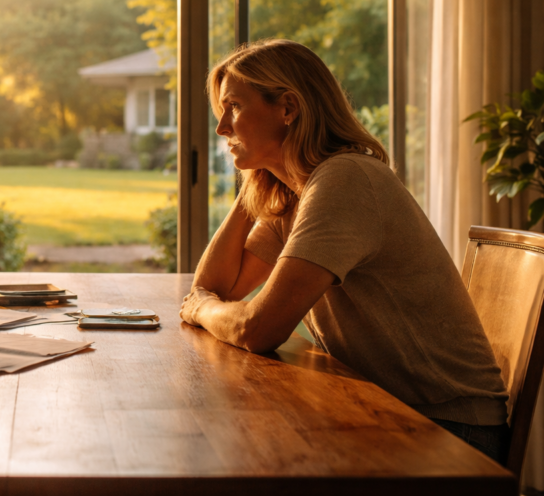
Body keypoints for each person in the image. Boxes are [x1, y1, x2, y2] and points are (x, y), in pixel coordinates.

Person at [180, 39, 510, 462]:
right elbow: (215, 285)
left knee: (245, 459)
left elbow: (255, 329)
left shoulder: (346, 180)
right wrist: (256, 177)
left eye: (235, 108)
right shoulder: (300, 188)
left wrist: (203, 309)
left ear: (288, 109)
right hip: (394, 410)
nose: (223, 127)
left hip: (449, 431)